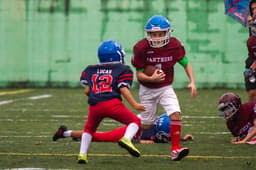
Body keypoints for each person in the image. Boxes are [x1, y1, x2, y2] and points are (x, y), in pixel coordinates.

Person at [131, 15, 197, 161]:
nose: (157, 38)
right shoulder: (141, 48)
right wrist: (151, 78)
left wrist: (192, 81)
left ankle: (175, 150)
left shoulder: (174, 45)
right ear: (148, 34)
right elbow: (139, 74)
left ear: (167, 33)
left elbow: (185, 63)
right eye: (154, 34)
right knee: (146, 124)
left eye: (160, 34)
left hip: (165, 87)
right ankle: (127, 133)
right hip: (147, 89)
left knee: (175, 113)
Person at [76, 40, 146, 164]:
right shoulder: (122, 69)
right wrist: (134, 104)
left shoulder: (90, 69)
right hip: (112, 103)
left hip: (95, 106)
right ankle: (126, 139)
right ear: (117, 54)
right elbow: (123, 88)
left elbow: (87, 90)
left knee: (89, 129)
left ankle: (82, 154)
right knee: (135, 121)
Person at [52, 113, 194, 143]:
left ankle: (74, 136)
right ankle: (65, 133)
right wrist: (145, 142)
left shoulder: (154, 128)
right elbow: (134, 140)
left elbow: (168, 137)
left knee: (97, 135)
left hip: (131, 129)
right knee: (98, 136)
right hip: (125, 133)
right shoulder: (148, 130)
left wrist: (183, 139)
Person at [244, 1, 256, 102]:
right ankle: (252, 116)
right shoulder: (252, 24)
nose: (254, 11)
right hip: (252, 59)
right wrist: (251, 26)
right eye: (252, 9)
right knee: (251, 92)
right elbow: (251, 43)